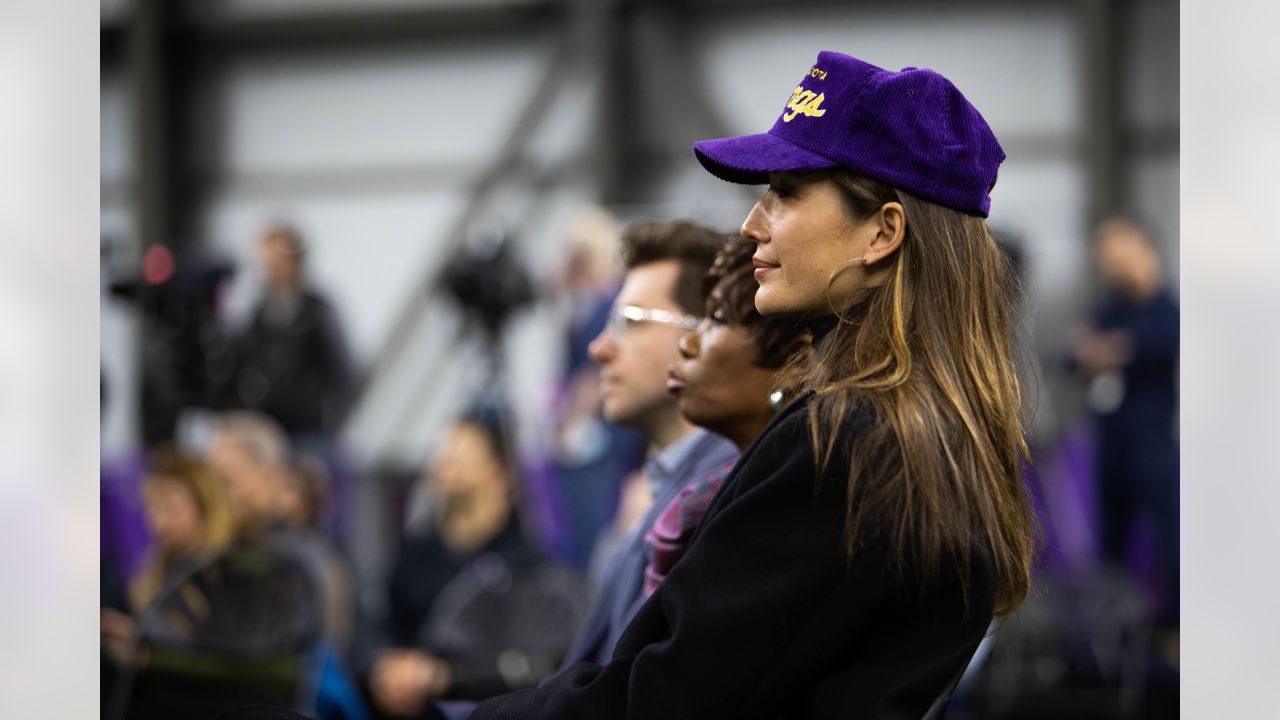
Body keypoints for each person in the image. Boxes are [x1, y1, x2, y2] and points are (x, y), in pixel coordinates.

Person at [439, 50, 1036, 720]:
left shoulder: (846, 443)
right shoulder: (938, 437)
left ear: (883, 232)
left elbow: (663, 701)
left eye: (784, 192)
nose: (753, 222)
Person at [647, 234, 812, 596]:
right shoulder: (716, 498)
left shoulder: (792, 517)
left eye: (717, 319)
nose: (687, 343)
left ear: (796, 360)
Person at [1069, 216, 1179, 630]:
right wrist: (1108, 349)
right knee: (1110, 545)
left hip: (1150, 440)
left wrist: (1108, 348)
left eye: (1117, 248)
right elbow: (1074, 355)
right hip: (1110, 441)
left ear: (1143, 246)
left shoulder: (1164, 309)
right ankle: (1113, 632)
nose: (1109, 260)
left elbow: (1157, 345)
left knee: (1167, 539)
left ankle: (1174, 630)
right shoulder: (1108, 309)